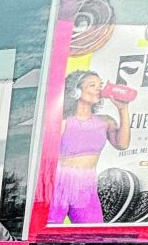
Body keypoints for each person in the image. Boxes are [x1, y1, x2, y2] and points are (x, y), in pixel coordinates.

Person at [50, 70, 131, 225]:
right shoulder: (63, 122)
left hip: (87, 186)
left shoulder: (105, 121)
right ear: (76, 91)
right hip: (58, 183)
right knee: (46, 234)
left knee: (92, 233)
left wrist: (123, 109)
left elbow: (122, 144)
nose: (99, 89)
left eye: (100, 85)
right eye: (92, 85)